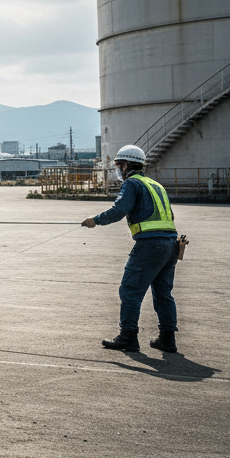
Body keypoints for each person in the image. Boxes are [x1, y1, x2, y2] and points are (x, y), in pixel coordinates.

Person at [82, 144, 180, 354]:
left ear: (126, 165)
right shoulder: (155, 184)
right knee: (163, 294)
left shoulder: (132, 184)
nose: (118, 169)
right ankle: (167, 339)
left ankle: (128, 336)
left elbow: (119, 210)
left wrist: (95, 220)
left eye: (118, 165)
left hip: (149, 245)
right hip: (171, 245)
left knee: (130, 291)